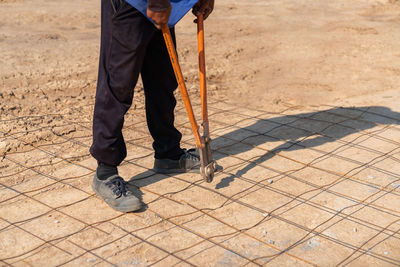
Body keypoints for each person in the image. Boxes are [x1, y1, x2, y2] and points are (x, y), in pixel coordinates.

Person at [89, 0, 215, 212]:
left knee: (163, 78)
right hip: (134, 4)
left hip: (166, 4)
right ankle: (105, 172)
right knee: (118, 84)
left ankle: (168, 153)